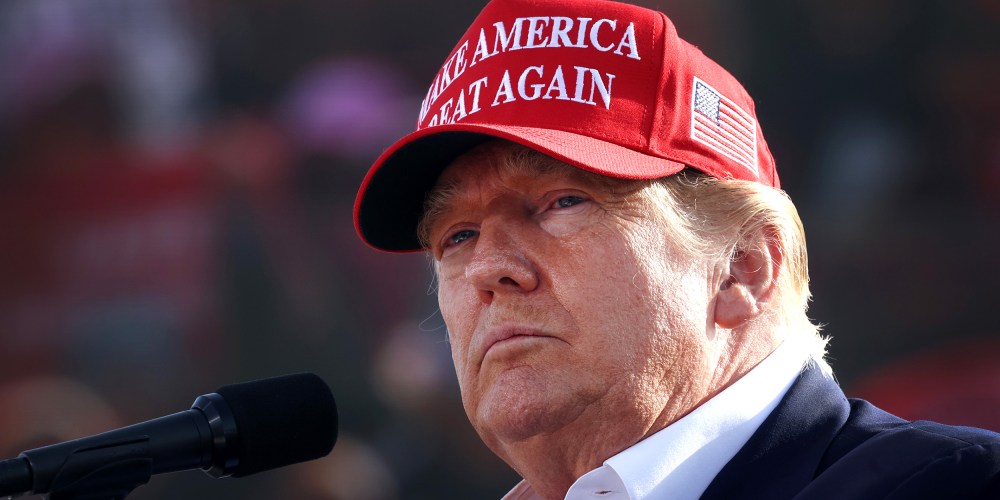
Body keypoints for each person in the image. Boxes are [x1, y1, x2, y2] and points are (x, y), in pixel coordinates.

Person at [352, 0, 1000, 498]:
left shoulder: (949, 486)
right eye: (458, 236)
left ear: (744, 267)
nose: (489, 268)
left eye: (562, 203)